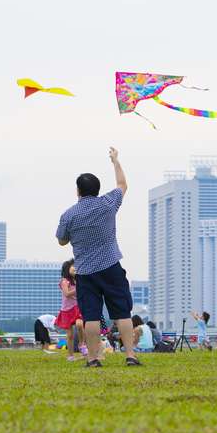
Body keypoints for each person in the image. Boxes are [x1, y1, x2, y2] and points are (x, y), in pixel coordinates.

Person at [56, 147, 140, 368]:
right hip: (111, 265)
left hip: (85, 271)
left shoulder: (69, 215)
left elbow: (61, 240)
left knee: (91, 316)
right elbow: (123, 185)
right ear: (97, 189)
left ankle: (93, 359)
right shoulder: (107, 203)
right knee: (122, 312)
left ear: (78, 191)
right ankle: (130, 355)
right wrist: (115, 161)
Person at [56, 260, 85, 362]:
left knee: (80, 325)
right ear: (67, 269)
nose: (75, 268)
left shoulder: (79, 280)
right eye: (73, 266)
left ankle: (82, 344)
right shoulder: (64, 281)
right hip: (66, 310)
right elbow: (67, 293)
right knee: (70, 335)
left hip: (77, 307)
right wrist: (79, 289)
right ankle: (71, 355)